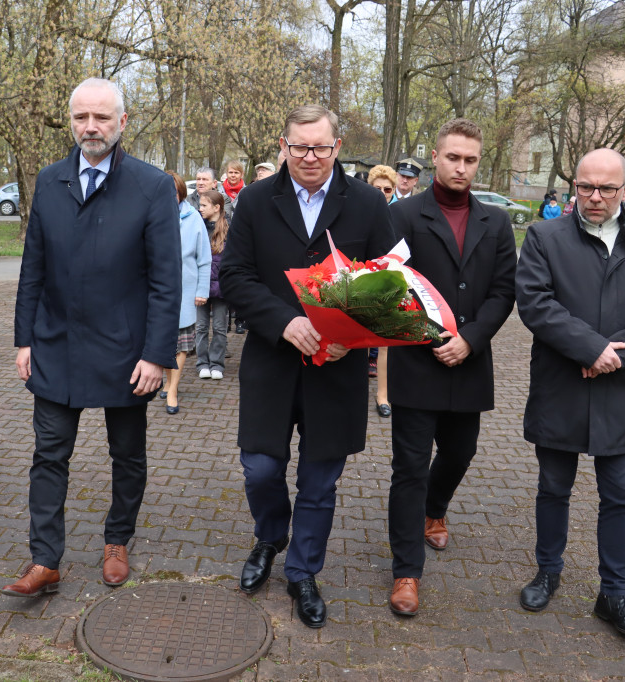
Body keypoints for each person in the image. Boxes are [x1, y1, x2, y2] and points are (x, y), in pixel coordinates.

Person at [3, 78, 181, 598]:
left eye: (101, 118)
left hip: (127, 354)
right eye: (82, 117)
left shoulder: (150, 186)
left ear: (122, 123)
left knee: (126, 455)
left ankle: (117, 540)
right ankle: (44, 560)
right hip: (55, 345)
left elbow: (167, 281)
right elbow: (32, 266)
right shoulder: (51, 179)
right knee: (48, 455)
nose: (91, 127)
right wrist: (24, 338)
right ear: (71, 121)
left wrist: (156, 354)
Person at [219, 104, 394, 629]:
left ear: (337, 147)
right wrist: (283, 322)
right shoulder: (253, 201)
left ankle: (302, 572)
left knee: (320, 482)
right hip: (272, 362)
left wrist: (353, 337)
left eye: (320, 147)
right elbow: (235, 276)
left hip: (336, 371)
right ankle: (270, 535)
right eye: (300, 147)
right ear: (284, 145)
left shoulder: (366, 203)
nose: (310, 156)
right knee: (261, 469)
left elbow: (390, 284)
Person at [515, 147, 625, 638]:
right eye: (585, 186)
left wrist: (618, 354)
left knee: (621, 496)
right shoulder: (545, 236)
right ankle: (548, 571)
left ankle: (614, 593)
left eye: (607, 188)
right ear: (574, 187)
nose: (594, 197)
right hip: (562, 384)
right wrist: (590, 349)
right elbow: (536, 302)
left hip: (621, 389)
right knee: (554, 487)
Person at [385, 118, 517, 616]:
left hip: (469, 362)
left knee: (460, 453)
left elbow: (505, 291)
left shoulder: (496, 222)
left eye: (470, 160)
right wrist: (428, 335)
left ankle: (434, 511)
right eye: (453, 157)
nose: (462, 167)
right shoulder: (403, 216)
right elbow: (388, 286)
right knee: (410, 467)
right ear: (435, 158)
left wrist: (471, 339)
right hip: (418, 363)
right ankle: (406, 572)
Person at [163, 171, 212, 414]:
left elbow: (204, 258)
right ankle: (167, 380)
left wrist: (202, 290)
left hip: (185, 290)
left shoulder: (193, 218)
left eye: (173, 191)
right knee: (162, 339)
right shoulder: (151, 214)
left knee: (181, 343)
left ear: (181, 193)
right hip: (157, 291)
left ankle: (172, 389)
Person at [366, 164, 402, 419]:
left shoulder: (400, 213)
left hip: (391, 282)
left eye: (387, 189)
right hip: (363, 282)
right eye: (376, 188)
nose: (382, 193)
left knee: (386, 344)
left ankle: (383, 395)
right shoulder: (360, 210)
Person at [196, 190, 231, 380]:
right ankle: (202, 362)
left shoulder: (229, 228)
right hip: (201, 286)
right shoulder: (197, 226)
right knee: (201, 327)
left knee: (219, 327)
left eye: (204, 205)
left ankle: (217, 363)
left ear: (216, 207)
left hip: (222, 287)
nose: (200, 209)